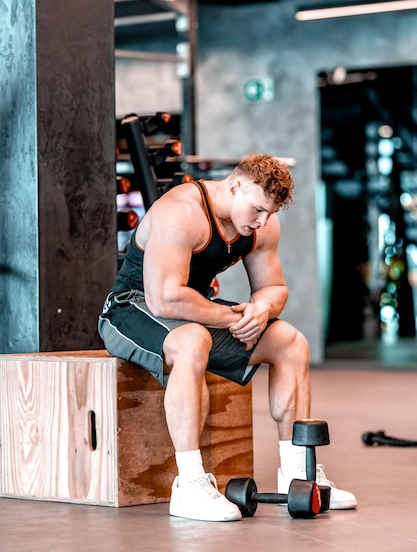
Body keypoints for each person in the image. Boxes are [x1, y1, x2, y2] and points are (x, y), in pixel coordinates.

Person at [98, 152, 357, 522]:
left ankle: (298, 475)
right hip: (131, 308)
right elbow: (164, 297)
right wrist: (232, 317)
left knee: (290, 342)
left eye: (270, 213)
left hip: (195, 311)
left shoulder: (261, 225)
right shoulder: (181, 211)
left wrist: (261, 310)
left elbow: (274, 287)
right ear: (235, 186)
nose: (263, 220)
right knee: (192, 341)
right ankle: (189, 485)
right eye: (257, 210)